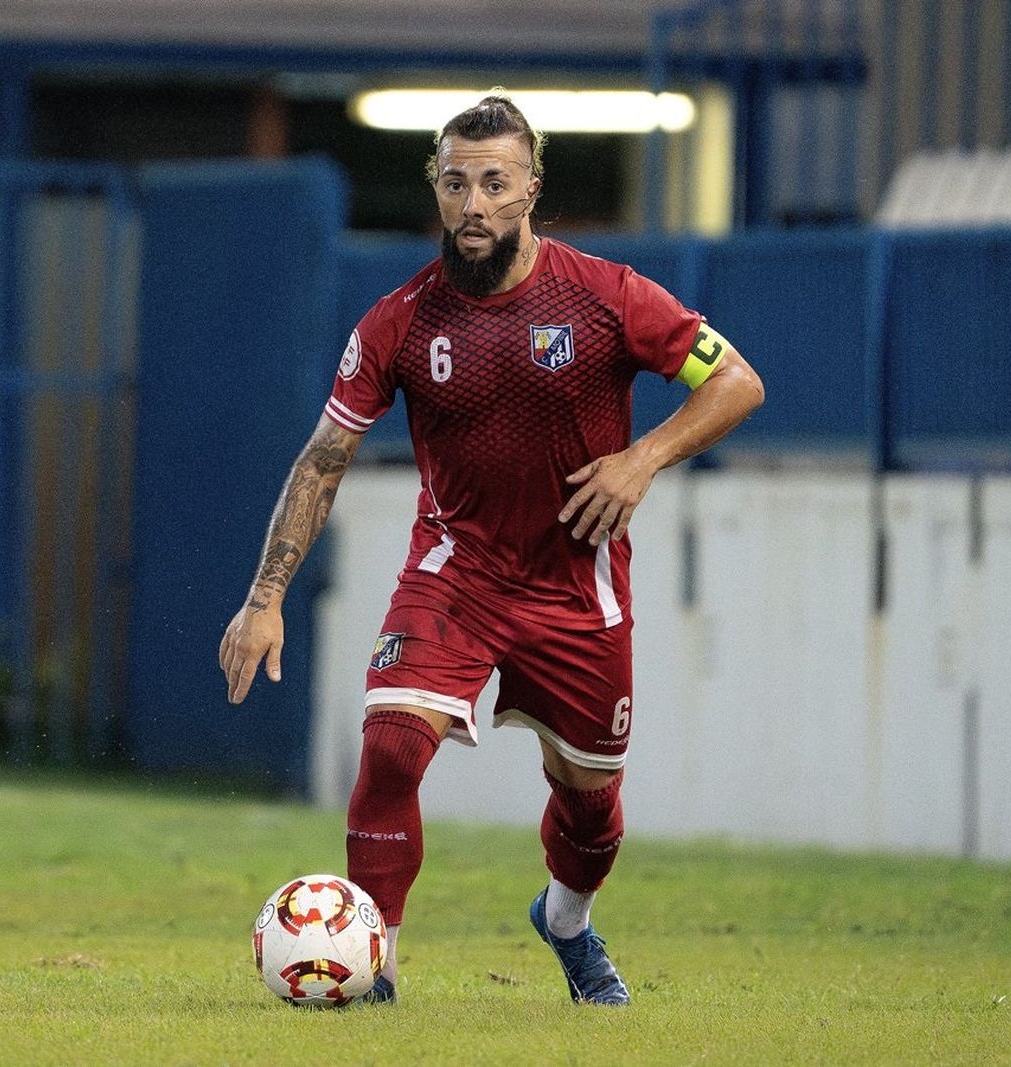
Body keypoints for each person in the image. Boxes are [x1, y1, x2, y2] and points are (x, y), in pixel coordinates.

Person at [218, 93, 764, 1006]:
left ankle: (565, 921)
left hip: (576, 589)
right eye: (456, 181)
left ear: (530, 194)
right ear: (436, 189)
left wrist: (643, 458)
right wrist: (264, 595)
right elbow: (323, 458)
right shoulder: (397, 324)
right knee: (390, 746)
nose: (473, 203)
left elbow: (738, 383)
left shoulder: (609, 297)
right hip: (455, 576)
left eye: (494, 183)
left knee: (591, 807)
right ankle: (375, 962)